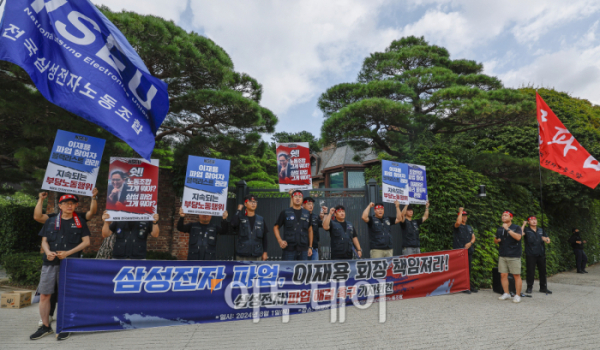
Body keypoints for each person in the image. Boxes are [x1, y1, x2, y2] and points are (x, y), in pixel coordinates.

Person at [32, 190, 98, 328]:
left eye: (72, 203)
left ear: (76, 206)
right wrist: (48, 251)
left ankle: (67, 322)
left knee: (68, 294)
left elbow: (86, 241)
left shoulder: (80, 220)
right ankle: (45, 324)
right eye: (66, 203)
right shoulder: (51, 220)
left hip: (71, 263)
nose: (70, 206)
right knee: (46, 294)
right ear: (60, 206)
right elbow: (44, 239)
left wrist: (68, 253)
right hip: (50, 262)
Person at [274, 190, 313, 260]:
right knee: (288, 270)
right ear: (292, 198)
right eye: (295, 196)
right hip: (289, 249)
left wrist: (310, 247)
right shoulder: (285, 212)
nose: (298, 198)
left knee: (303, 270)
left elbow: (310, 230)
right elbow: (276, 227)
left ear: (302, 199)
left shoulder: (307, 213)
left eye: (300, 197)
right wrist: (280, 241)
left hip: (303, 250)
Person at [494, 210, 523, 303]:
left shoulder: (517, 227)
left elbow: (518, 237)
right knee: (503, 275)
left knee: (516, 275)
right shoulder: (499, 228)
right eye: (502, 215)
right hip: (502, 254)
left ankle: (517, 295)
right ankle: (506, 293)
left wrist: (508, 229)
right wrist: (497, 240)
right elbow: (495, 240)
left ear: (511, 217)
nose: (503, 217)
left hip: (514, 255)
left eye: (506, 215)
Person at [230, 195, 268, 261]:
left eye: (255, 202)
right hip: (242, 254)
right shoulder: (240, 218)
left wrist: (265, 252)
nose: (253, 204)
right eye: (250, 202)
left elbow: (265, 237)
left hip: (257, 254)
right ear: (245, 204)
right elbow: (233, 223)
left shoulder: (261, 219)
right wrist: (238, 210)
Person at [288, 190, 324, 260]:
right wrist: (291, 196)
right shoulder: (300, 215)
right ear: (303, 205)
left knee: (314, 269)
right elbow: (292, 209)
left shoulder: (316, 216)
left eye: (312, 204)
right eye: (309, 204)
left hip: (314, 247)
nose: (311, 206)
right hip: (303, 248)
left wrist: (323, 217)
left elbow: (324, 226)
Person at [522, 216, 552, 294]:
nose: (534, 221)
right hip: (530, 254)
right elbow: (520, 235)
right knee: (530, 271)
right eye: (531, 220)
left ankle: (543, 287)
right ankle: (529, 287)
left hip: (541, 253)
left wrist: (546, 239)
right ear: (528, 222)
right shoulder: (526, 230)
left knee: (543, 271)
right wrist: (523, 225)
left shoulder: (541, 230)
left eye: (535, 220)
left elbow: (548, 240)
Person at [453, 208, 477, 294]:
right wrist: (460, 212)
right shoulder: (457, 226)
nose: (464, 217)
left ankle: (468, 286)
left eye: (465, 216)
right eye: (462, 215)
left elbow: (473, 237)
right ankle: (462, 287)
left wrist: (470, 243)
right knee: (461, 270)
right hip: (459, 252)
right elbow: (458, 222)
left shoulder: (469, 227)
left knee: (468, 269)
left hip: (468, 251)